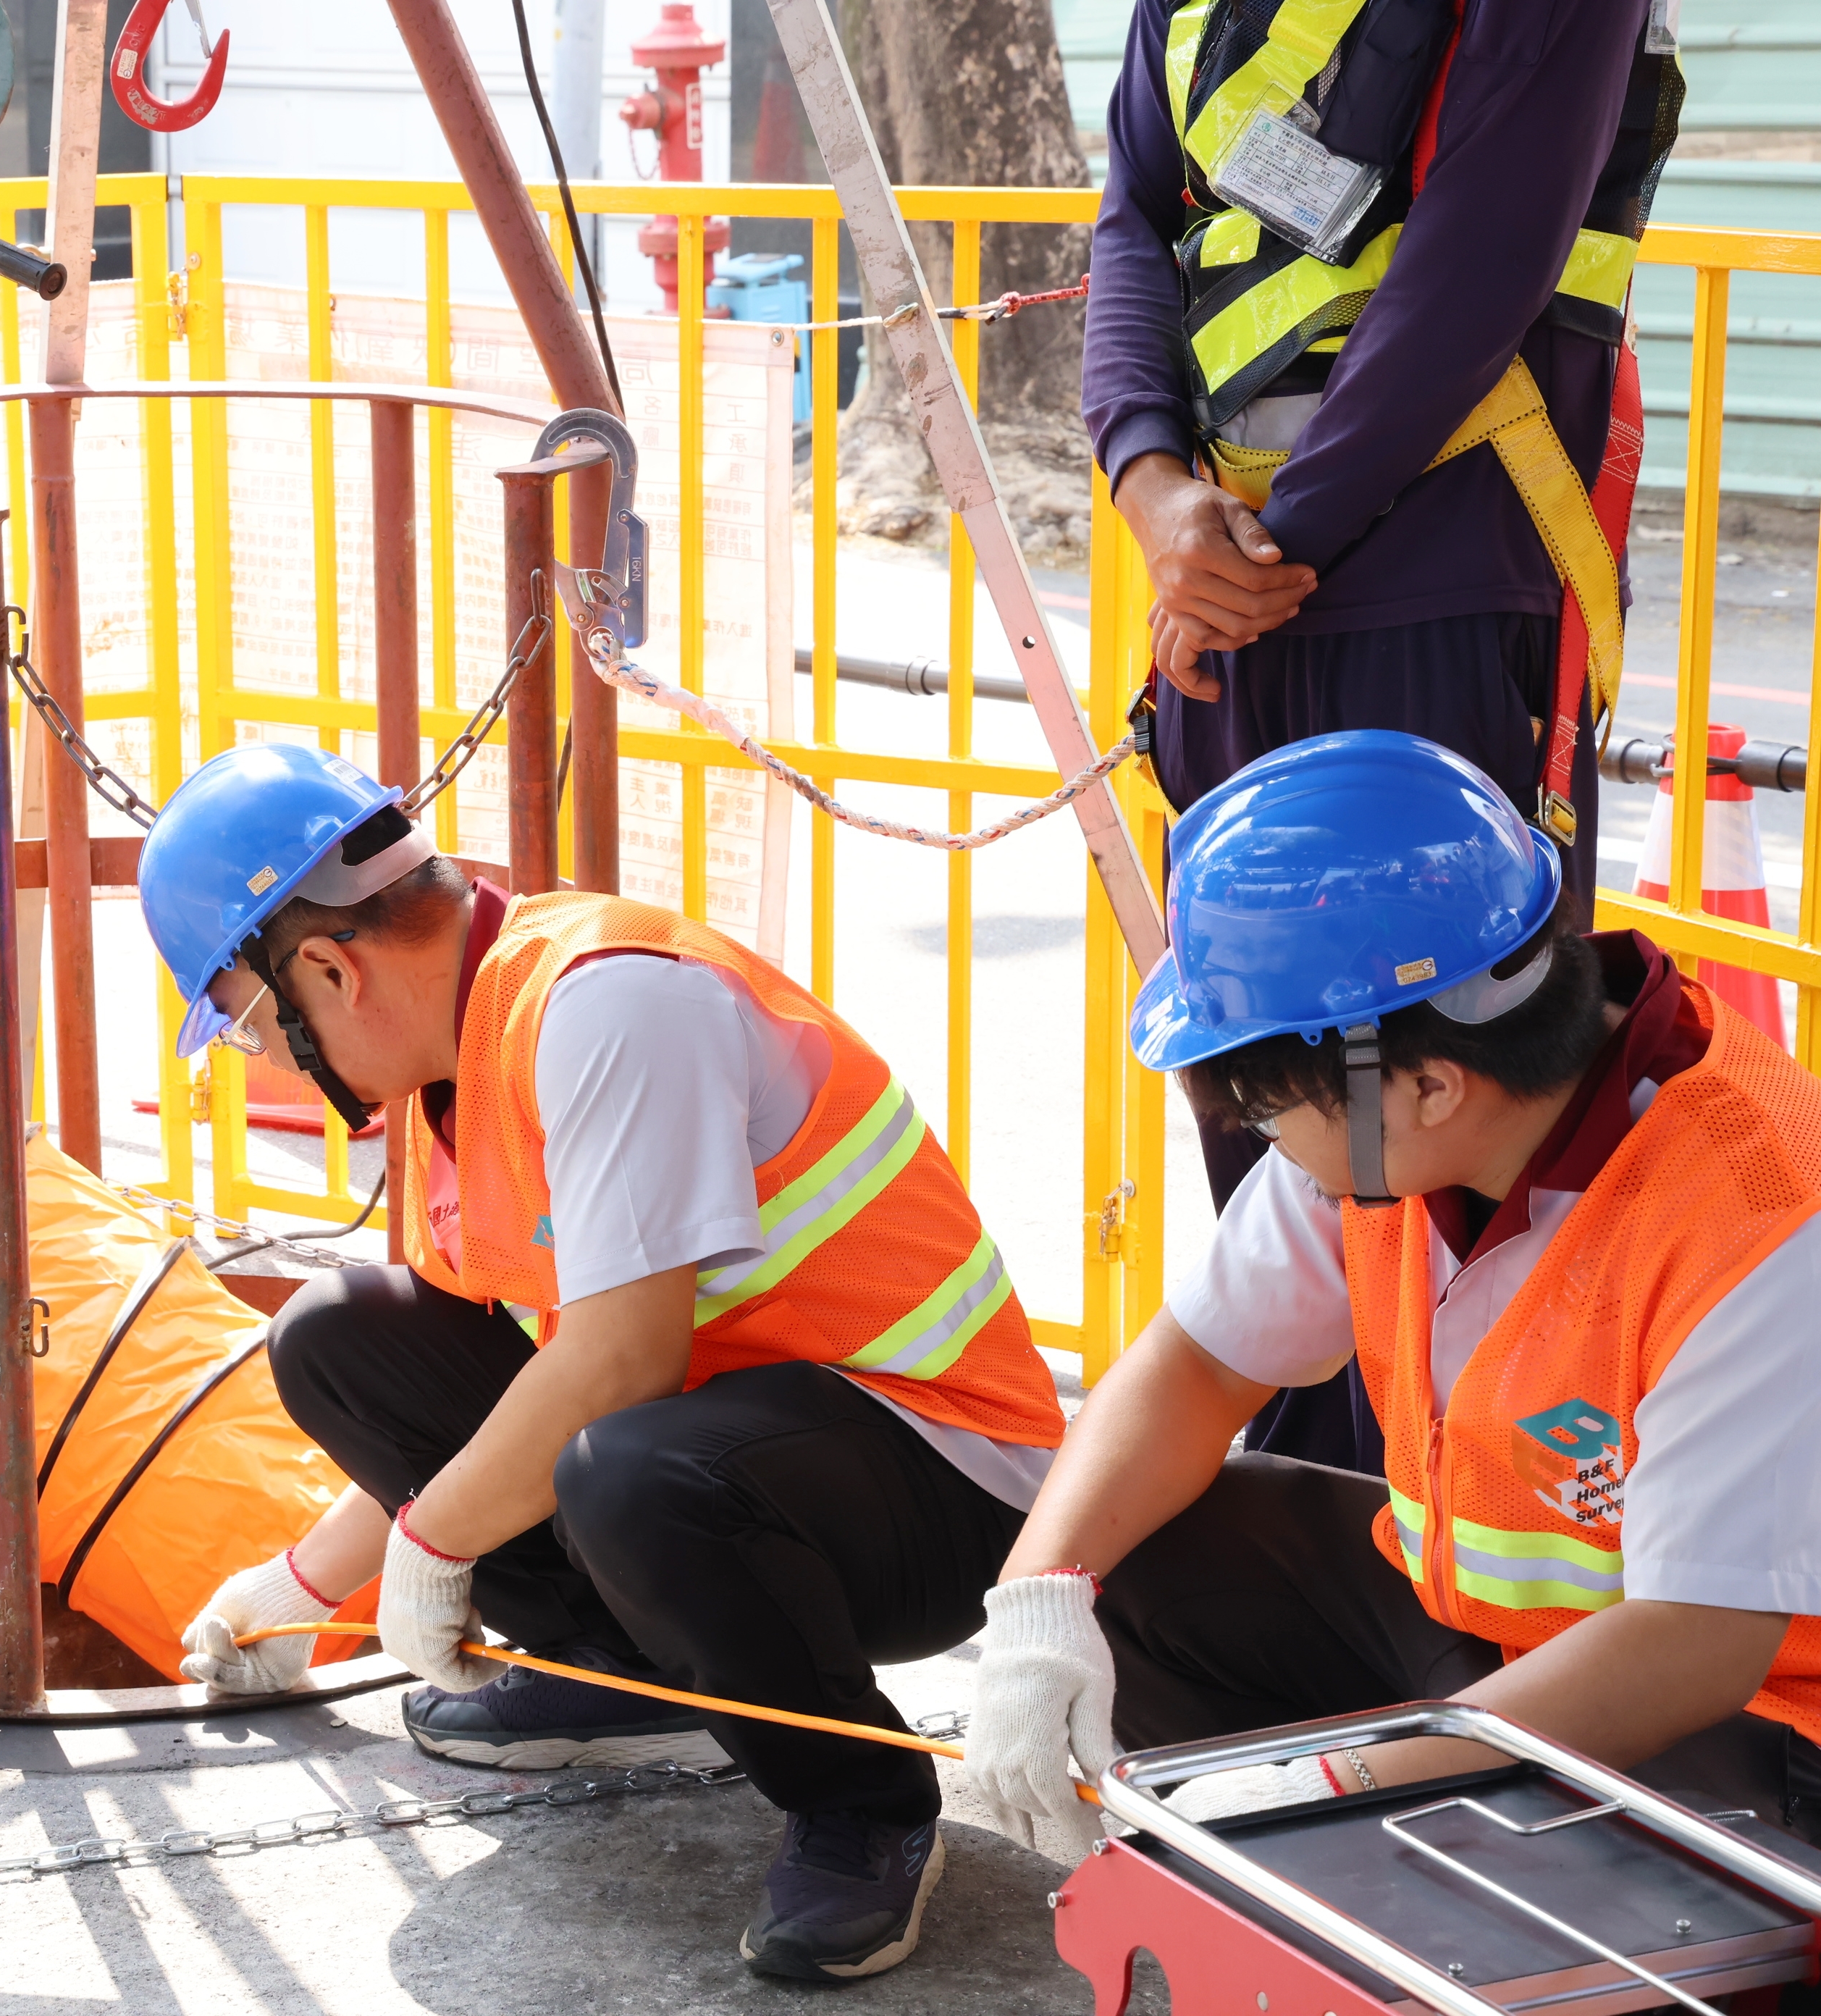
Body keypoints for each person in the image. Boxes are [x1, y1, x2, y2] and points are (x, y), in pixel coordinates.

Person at [138, 742, 1067, 1981]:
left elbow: (623, 1359)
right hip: (740, 1449)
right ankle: (636, 1674)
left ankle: (863, 1807)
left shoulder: (609, 1002)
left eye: (251, 1026)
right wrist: (304, 1583)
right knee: (340, 1340)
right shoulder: (455, 1072)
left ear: (324, 967)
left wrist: (429, 1547)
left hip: (942, 1481)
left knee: (625, 1469)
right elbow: (518, 1386)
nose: (263, 1064)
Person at [964, 730, 1821, 1855]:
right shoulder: (1393, 1122)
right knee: (1148, 1559)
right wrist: (1034, 1608)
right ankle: (1308, 1880)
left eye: (1271, 1104)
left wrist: (1343, 1781)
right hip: (1496, 1648)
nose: (1256, 1133)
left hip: (1753, 1732)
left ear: (1426, 1086)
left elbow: (1695, 1645)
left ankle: (1362, 1878)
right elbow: (1200, 1366)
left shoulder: (1764, 1215)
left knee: (1408, 1836)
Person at [1087, 0, 1684, 1469]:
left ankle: (1457, 1539)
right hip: (1230, 595)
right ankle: (1297, 1520)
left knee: (1443, 1103)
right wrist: (1156, 493)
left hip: (1432, 584)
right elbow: (1129, 229)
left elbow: (1471, 278)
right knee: (1267, 1094)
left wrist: (1248, 557)